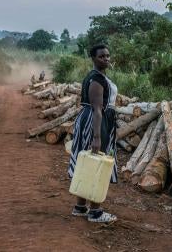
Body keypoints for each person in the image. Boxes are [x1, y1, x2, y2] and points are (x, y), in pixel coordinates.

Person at [68, 44, 118, 223]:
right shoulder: (97, 79)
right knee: (98, 161)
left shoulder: (97, 76)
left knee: (87, 161)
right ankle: (95, 212)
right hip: (96, 121)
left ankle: (80, 207)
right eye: (101, 56)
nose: (106, 59)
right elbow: (97, 109)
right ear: (93, 58)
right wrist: (97, 137)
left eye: (107, 55)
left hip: (91, 120)